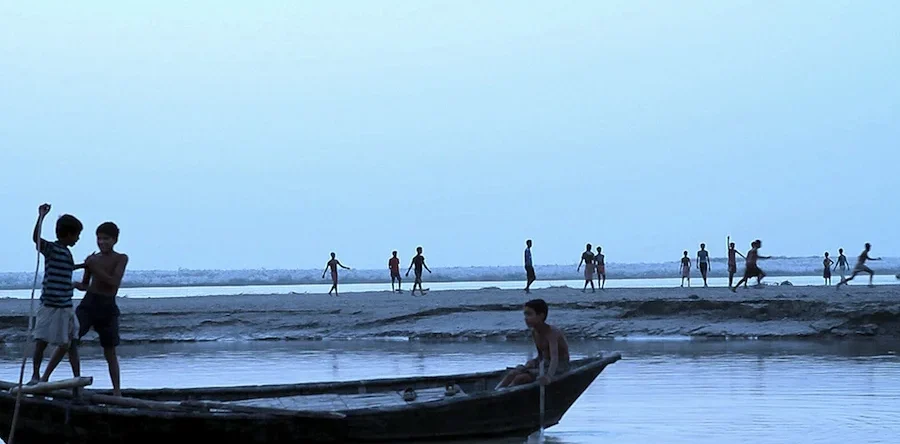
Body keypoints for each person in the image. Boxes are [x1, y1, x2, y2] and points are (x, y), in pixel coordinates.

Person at [45, 222, 129, 396]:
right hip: (89, 304)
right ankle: (44, 378)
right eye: (99, 238)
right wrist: (74, 283)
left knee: (110, 350)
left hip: (108, 306)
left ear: (114, 240)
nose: (102, 242)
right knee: (68, 341)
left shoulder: (120, 258)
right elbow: (85, 284)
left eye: (106, 239)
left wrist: (92, 265)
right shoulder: (93, 259)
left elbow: (113, 282)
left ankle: (117, 392)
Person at [29, 204, 83, 385]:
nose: (78, 239)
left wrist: (84, 266)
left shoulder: (67, 253)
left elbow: (67, 269)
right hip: (50, 305)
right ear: (68, 234)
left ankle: (76, 380)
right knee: (41, 340)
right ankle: (35, 375)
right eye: (77, 235)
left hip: (66, 306)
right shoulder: (52, 249)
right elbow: (36, 239)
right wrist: (41, 217)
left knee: (71, 342)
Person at [495, 299, 571, 389]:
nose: (526, 318)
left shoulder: (552, 333)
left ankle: (506, 393)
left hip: (559, 367)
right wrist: (533, 362)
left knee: (521, 378)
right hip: (544, 364)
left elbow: (554, 358)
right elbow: (541, 356)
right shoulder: (534, 332)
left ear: (541, 316)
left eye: (529, 314)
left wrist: (548, 377)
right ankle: (496, 391)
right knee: (513, 373)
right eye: (525, 315)